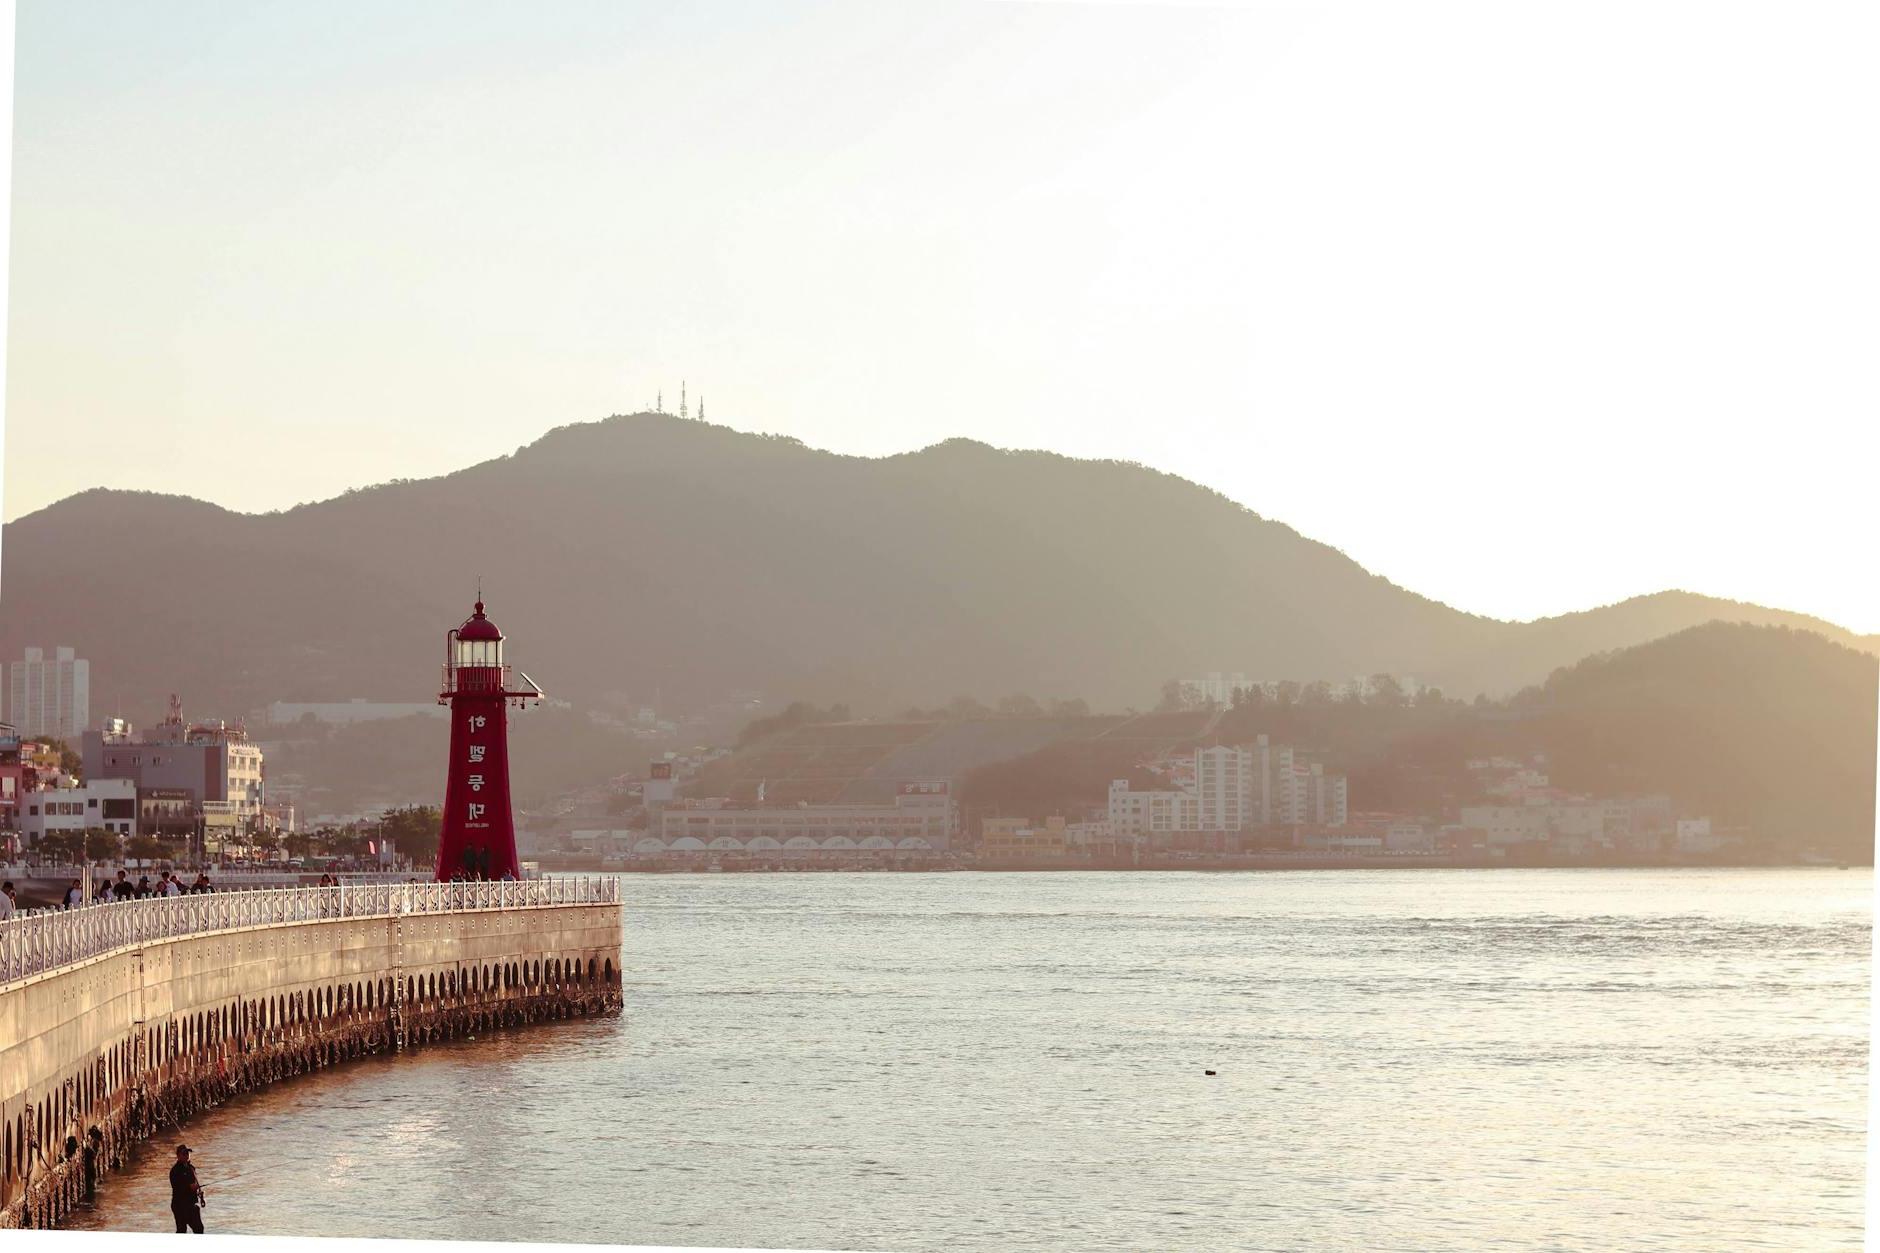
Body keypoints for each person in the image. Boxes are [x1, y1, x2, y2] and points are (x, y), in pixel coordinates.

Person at [169, 1144, 205, 1233]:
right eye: (184, 1153)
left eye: (188, 1153)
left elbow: (194, 1184)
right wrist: (190, 1187)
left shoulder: (191, 1168)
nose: (187, 1155)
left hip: (191, 1203)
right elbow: (177, 1188)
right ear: (178, 1156)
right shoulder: (175, 1171)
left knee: (199, 1229)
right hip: (179, 1205)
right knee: (182, 1230)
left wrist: (199, 1193)